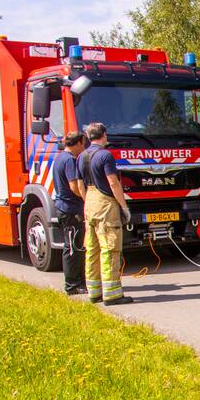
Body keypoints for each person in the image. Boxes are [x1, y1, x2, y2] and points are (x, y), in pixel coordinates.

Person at [81, 122, 134, 306]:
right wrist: (124, 207)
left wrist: (87, 202)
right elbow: (113, 182)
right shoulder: (105, 156)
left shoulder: (82, 156)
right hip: (105, 204)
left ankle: (94, 292)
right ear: (103, 135)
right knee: (110, 249)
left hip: (90, 201)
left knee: (92, 249)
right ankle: (112, 294)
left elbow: (80, 185)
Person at [52, 131, 88, 295]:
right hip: (71, 209)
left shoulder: (60, 157)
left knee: (75, 246)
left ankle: (78, 282)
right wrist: (87, 198)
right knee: (73, 247)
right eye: (83, 143)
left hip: (64, 207)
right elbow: (74, 186)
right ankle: (72, 285)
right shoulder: (70, 160)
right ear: (78, 143)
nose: (85, 146)